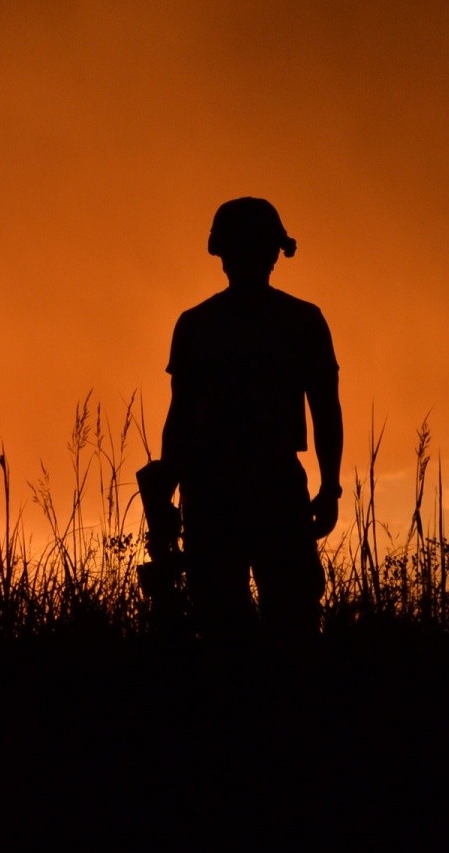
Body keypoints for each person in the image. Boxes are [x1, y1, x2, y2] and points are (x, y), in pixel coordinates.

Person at [152, 197, 342, 639]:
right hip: (270, 487)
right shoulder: (301, 320)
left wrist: (167, 495)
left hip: (216, 491)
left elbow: (180, 420)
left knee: (226, 627)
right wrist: (328, 486)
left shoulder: (197, 324)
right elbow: (326, 411)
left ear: (220, 253)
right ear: (276, 252)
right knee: (287, 624)